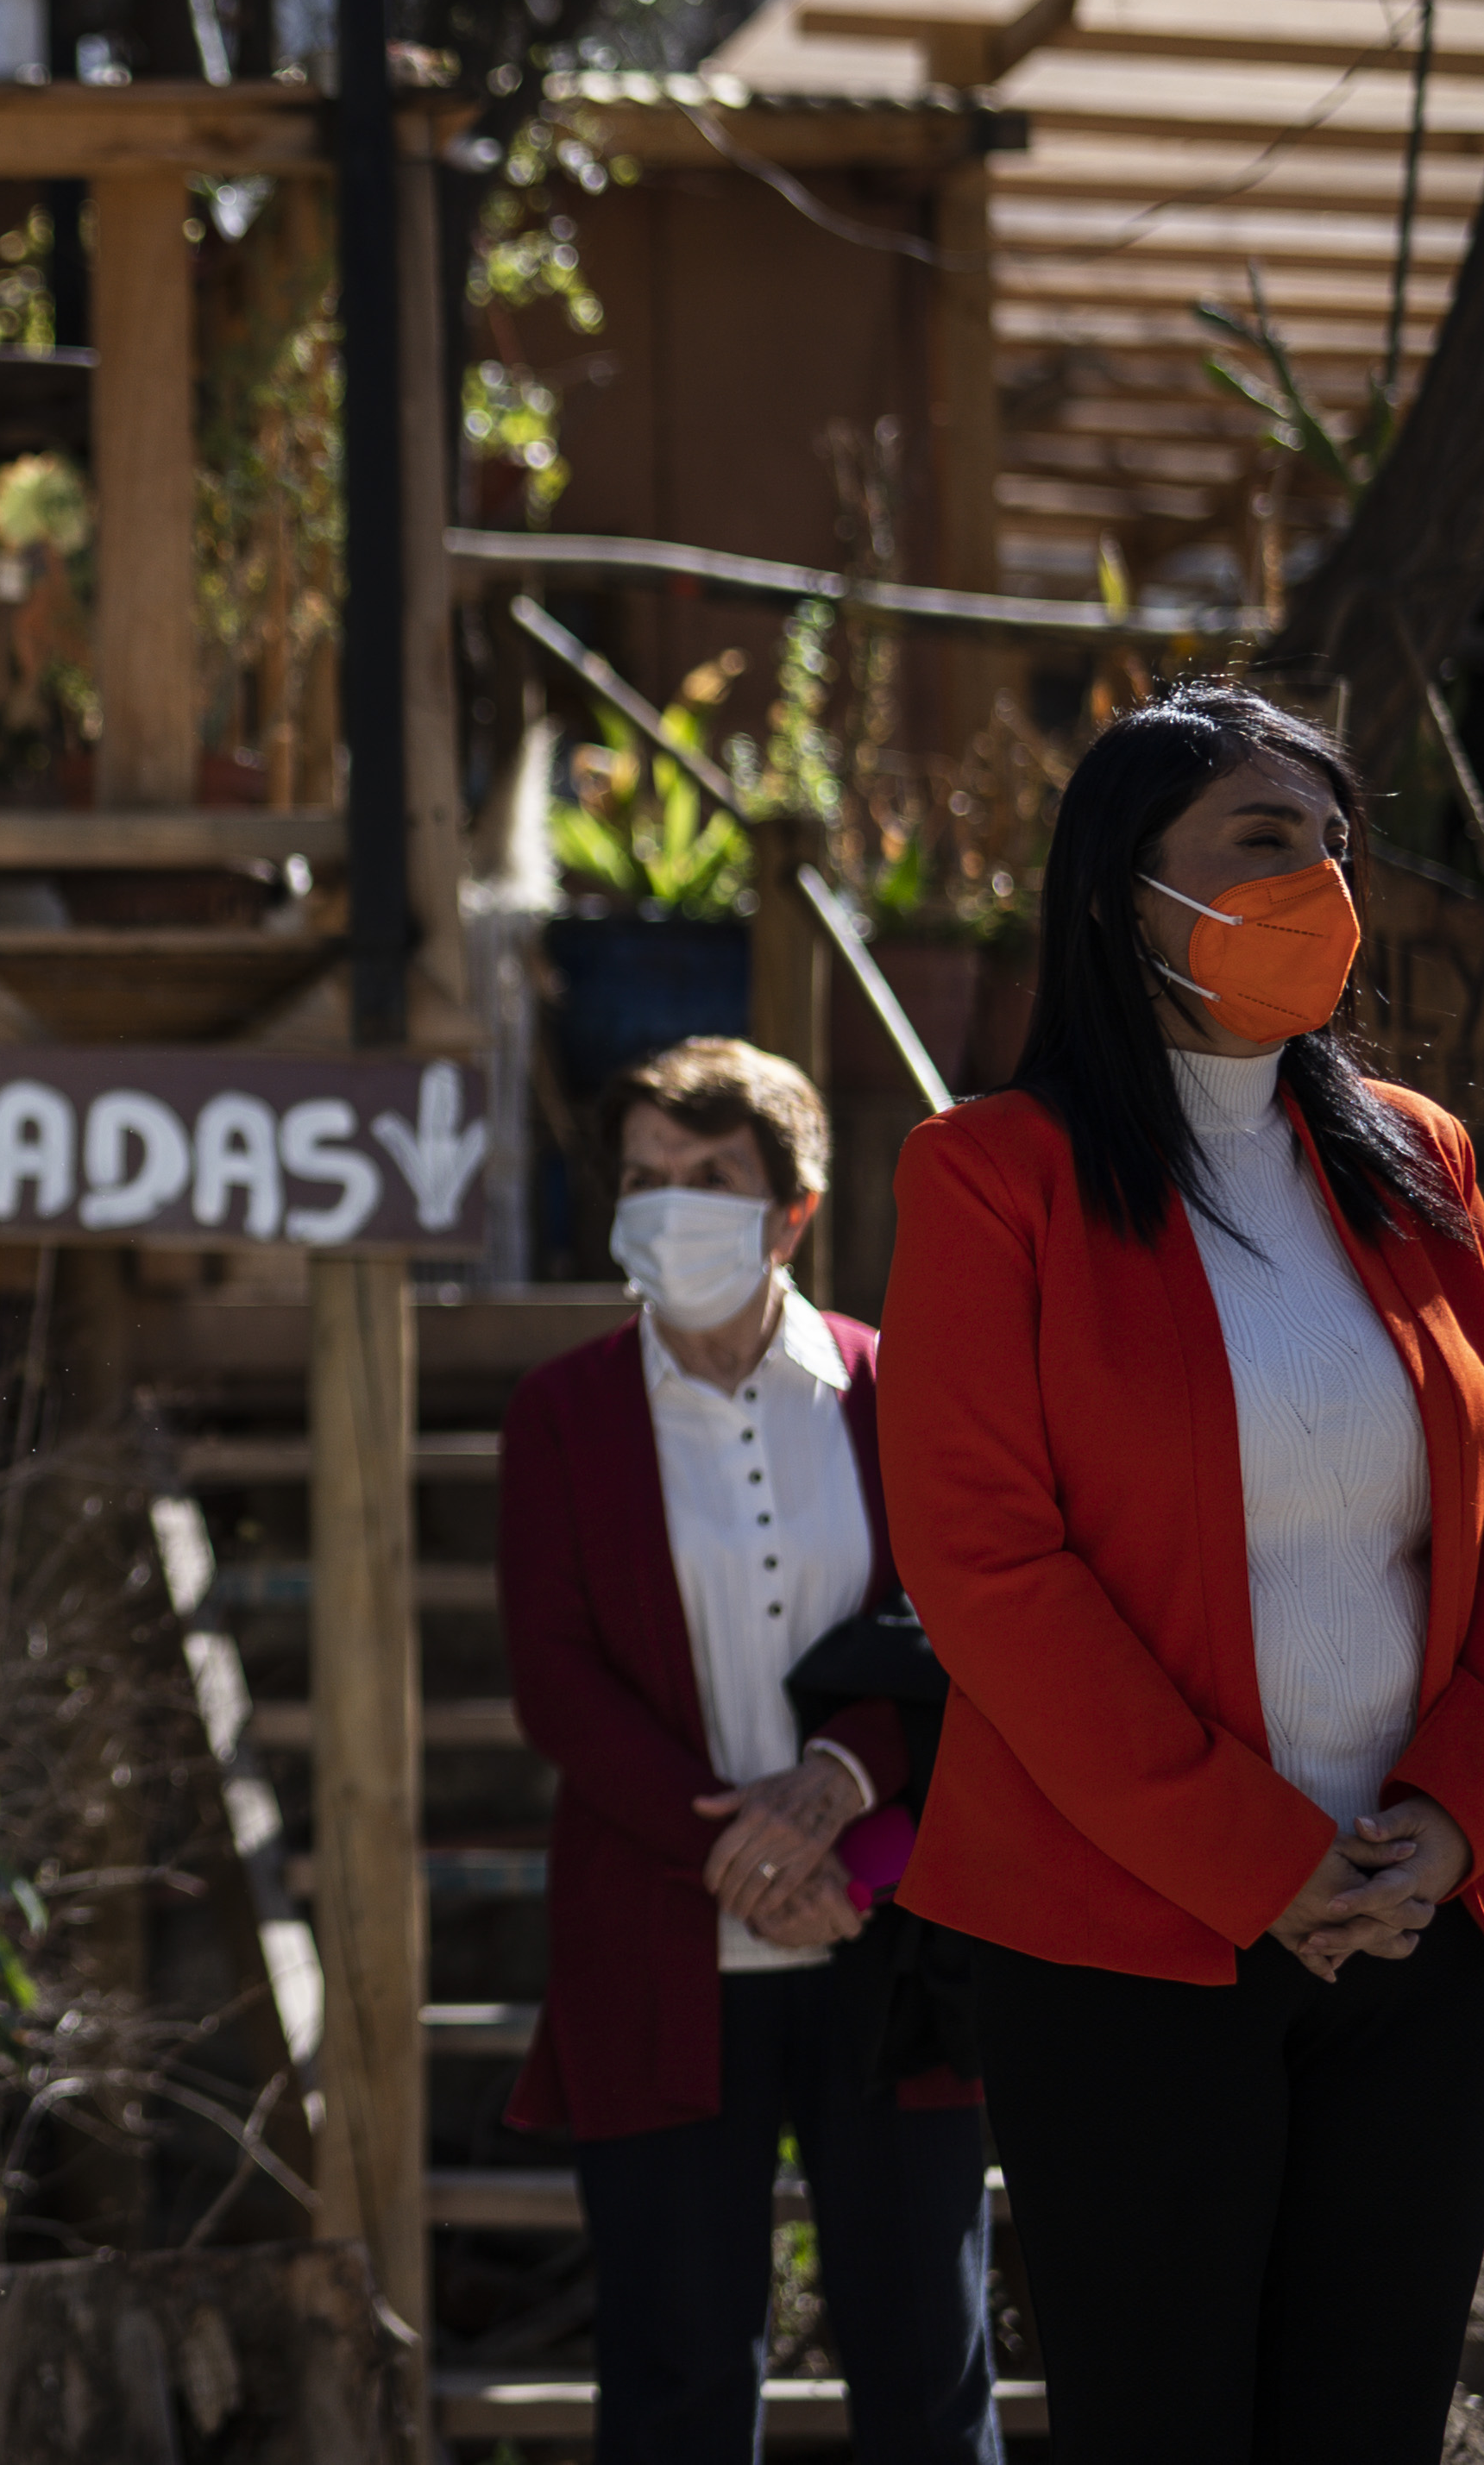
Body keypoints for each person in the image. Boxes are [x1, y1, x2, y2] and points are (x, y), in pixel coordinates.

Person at [881, 682, 1484, 2462]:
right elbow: (985, 1569)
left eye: (1329, 839)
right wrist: (1257, 1859)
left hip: (1420, 1929)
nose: (1320, 881)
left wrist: (1449, 1818)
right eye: (1259, 839)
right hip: (1129, 1935)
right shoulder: (989, 1178)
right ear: (1122, 888)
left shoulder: (1416, 1161)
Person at [499, 1036, 997, 2465]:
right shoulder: (560, 1411)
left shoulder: (894, 1386)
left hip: (883, 1936)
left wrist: (831, 1788)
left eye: (706, 1175)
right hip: (659, 1944)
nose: (666, 1206)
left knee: (925, 2369)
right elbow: (556, 1681)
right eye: (642, 1176)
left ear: (789, 1206)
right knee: (673, 2382)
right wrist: (739, 1849)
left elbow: (951, 1622)